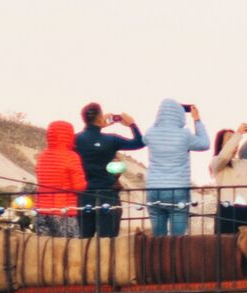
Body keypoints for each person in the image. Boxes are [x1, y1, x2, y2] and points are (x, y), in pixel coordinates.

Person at [74, 103, 143, 242]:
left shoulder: (75, 139)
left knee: (83, 242)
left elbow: (88, 136)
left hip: (84, 195)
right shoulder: (111, 139)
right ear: (100, 118)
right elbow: (139, 143)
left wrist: (96, 126)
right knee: (108, 242)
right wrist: (132, 124)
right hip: (108, 195)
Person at [140, 98, 207, 239]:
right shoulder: (185, 135)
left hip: (154, 190)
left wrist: (159, 121)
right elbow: (205, 143)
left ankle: (158, 260)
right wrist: (197, 120)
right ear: (180, 115)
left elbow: (144, 139)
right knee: (178, 239)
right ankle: (176, 260)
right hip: (178, 190)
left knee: (158, 238)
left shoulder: (151, 133)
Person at [32, 118, 84, 237]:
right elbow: (79, 186)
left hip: (42, 211)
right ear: (69, 136)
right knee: (70, 249)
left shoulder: (42, 156)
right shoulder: (71, 156)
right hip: (63, 211)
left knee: (45, 250)